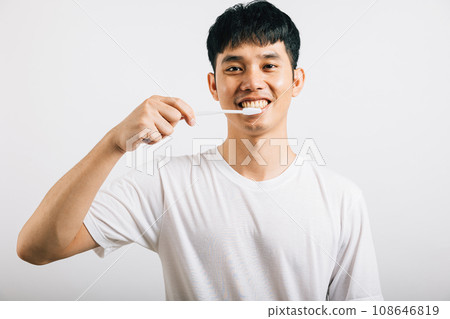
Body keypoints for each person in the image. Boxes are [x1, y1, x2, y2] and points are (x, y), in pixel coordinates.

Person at [17, 0, 383, 301]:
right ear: (214, 85)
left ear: (296, 81)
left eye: (269, 65)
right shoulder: (164, 183)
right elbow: (37, 248)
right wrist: (113, 143)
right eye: (235, 68)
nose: (253, 82)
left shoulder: (342, 199)